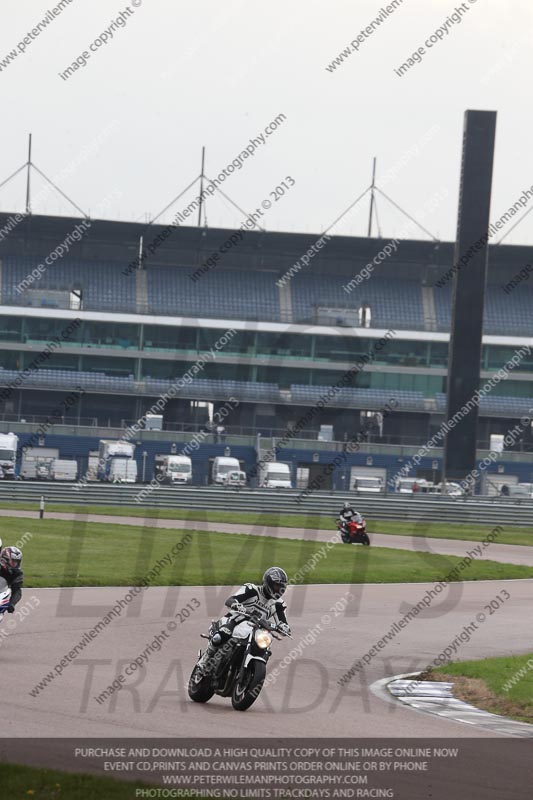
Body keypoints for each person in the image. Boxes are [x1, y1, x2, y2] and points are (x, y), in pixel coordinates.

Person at [197, 567, 291, 674]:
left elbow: (283, 622)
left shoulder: (279, 604)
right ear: (268, 582)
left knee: (264, 648)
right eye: (276, 586)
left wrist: (284, 628)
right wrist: (239, 607)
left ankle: (250, 672)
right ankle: (205, 659)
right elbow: (230, 600)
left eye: (281, 588)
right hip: (236, 620)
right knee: (221, 635)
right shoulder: (252, 589)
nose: (279, 590)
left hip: (256, 630)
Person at [0, 546, 23, 613]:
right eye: (13, 562)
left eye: (17, 562)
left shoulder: (17, 573)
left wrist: (12, 604)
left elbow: (17, 590)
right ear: (4, 560)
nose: (15, 565)